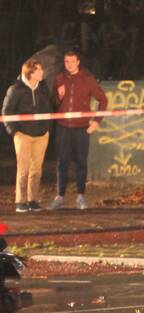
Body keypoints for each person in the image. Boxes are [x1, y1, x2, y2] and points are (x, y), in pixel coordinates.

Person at [49, 49, 107, 210]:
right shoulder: (59, 78)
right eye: (66, 62)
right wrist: (59, 96)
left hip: (81, 128)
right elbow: (54, 103)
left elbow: (103, 100)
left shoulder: (88, 79)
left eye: (72, 61)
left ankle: (81, 196)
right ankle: (60, 197)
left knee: (81, 162)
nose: (69, 65)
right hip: (63, 127)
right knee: (62, 162)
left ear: (78, 62)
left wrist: (96, 122)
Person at [2, 59, 53, 213]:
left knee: (36, 169)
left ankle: (33, 200)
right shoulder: (15, 90)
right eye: (38, 70)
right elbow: (6, 112)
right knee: (23, 169)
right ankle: (20, 201)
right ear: (30, 72)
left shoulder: (43, 88)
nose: (42, 72)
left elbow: (49, 108)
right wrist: (14, 131)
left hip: (41, 135)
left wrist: (47, 128)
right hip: (23, 134)